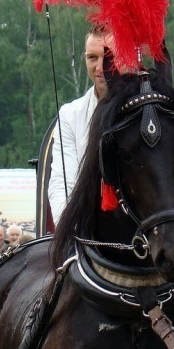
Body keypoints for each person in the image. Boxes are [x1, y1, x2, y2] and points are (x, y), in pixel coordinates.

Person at [48, 29, 112, 225]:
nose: (100, 67)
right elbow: (62, 184)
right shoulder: (70, 115)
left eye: (108, 57)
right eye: (92, 58)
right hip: (86, 230)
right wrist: (70, 233)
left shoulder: (150, 111)